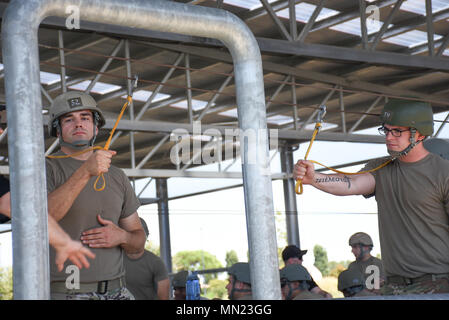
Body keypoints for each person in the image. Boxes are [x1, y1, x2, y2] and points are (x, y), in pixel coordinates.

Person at [294, 98, 449, 295]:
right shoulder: (381, 168)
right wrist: (314, 178)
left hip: (438, 284)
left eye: (397, 131)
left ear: (419, 133)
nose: (389, 137)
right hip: (394, 286)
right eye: (386, 130)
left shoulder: (444, 172)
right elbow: (352, 184)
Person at [46, 91, 146, 300]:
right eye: (69, 119)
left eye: (85, 118)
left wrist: (122, 237)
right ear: (57, 130)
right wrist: (85, 171)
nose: (78, 124)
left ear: (96, 126)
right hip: (67, 292)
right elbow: (41, 220)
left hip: (117, 292)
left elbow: (138, 244)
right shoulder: (45, 168)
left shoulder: (117, 176)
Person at [0, 106, 95, 272]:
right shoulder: (48, 169)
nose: (1, 131)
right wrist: (64, 242)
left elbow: (10, 203)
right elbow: (12, 205)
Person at [124, 218, 169, 300]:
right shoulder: (116, 260)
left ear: (145, 237)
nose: (137, 240)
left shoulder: (156, 263)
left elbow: (164, 297)